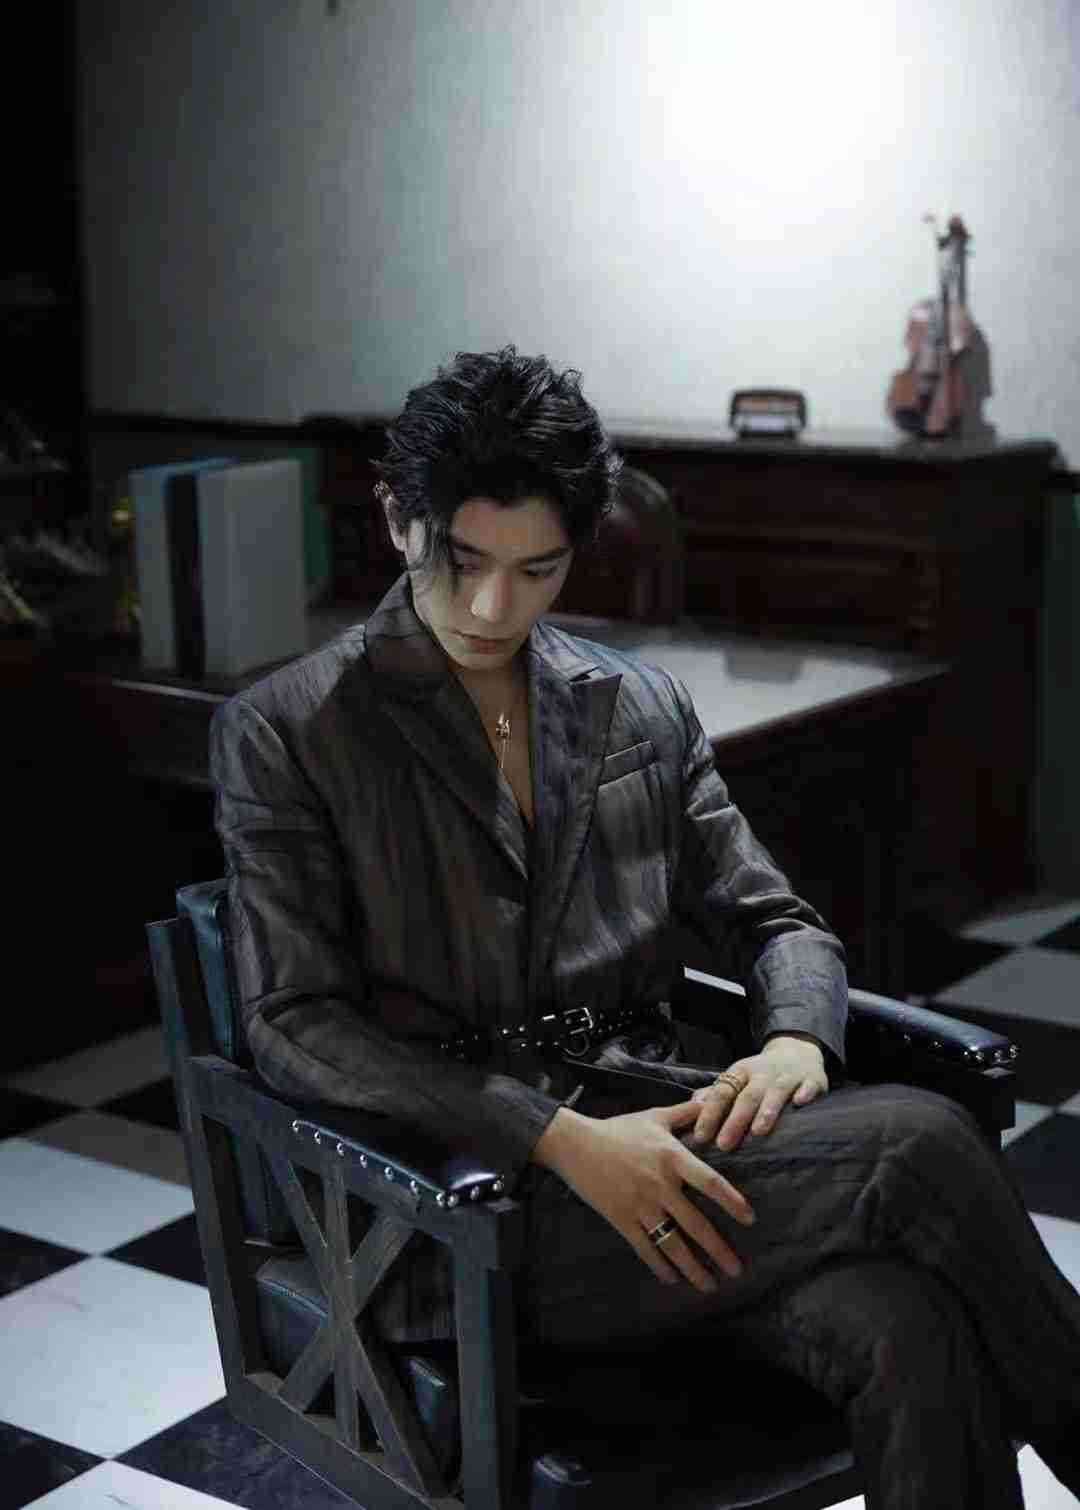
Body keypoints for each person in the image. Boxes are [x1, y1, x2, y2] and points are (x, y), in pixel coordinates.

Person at [211, 345, 1080, 1507]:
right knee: (918, 1146)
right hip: (461, 1210)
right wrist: (559, 1139)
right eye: (463, 561)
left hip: (677, 1159)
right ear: (397, 521)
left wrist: (795, 1038)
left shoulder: (636, 706)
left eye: (537, 569)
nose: (494, 607)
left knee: (906, 1321)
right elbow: (291, 1022)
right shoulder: (289, 730)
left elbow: (777, 921)